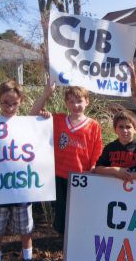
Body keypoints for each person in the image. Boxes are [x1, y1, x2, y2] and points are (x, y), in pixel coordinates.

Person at [30, 83, 103, 234]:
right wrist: (46, 93)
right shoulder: (58, 119)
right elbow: (33, 114)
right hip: (60, 175)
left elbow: (97, 150)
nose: (76, 105)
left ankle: (78, 241)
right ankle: (63, 242)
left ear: (87, 102)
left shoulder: (93, 125)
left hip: (81, 176)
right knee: (61, 211)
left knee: (79, 212)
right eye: (71, 101)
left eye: (79, 101)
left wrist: (94, 169)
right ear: (66, 103)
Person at [0, 80, 33, 261]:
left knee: (25, 229)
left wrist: (45, 111)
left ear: (21, 102)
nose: (10, 107)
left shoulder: (27, 124)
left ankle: (28, 258)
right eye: (5, 102)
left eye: (14, 103)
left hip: (21, 188)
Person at [94, 110, 136, 180]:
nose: (124, 130)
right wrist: (115, 171)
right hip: (111, 188)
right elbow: (98, 169)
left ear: (135, 129)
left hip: (135, 188)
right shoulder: (109, 148)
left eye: (128, 127)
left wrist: (128, 176)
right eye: (121, 127)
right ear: (115, 130)